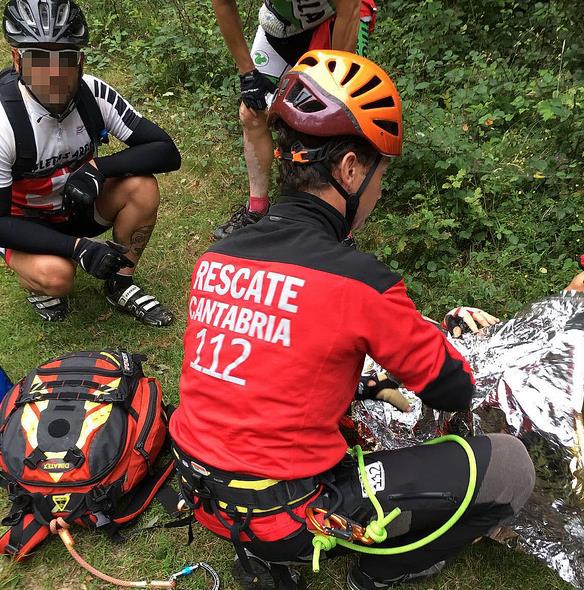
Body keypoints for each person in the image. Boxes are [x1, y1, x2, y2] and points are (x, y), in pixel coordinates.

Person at [170, 51, 535, 590]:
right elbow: (453, 390)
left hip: (199, 489)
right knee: (510, 466)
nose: (380, 192)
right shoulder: (361, 282)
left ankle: (261, 556)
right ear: (349, 170)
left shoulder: (216, 257)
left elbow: (266, 367)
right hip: (289, 508)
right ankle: (381, 570)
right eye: (380, 175)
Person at [0, 0, 181, 325]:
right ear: (17, 60)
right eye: (40, 58)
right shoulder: (3, 121)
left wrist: (100, 169)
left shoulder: (93, 93)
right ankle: (36, 273)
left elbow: (166, 151)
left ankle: (119, 282)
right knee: (58, 276)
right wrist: (79, 248)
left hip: (75, 204)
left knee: (142, 187)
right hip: (23, 220)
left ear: (81, 61)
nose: (55, 74)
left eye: (66, 59)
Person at [211, 0, 376, 240]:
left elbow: (348, 10)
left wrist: (333, 85)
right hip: (280, 25)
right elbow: (222, 3)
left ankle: (339, 225)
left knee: (334, 121)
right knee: (252, 112)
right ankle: (257, 209)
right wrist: (247, 74)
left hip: (337, 18)